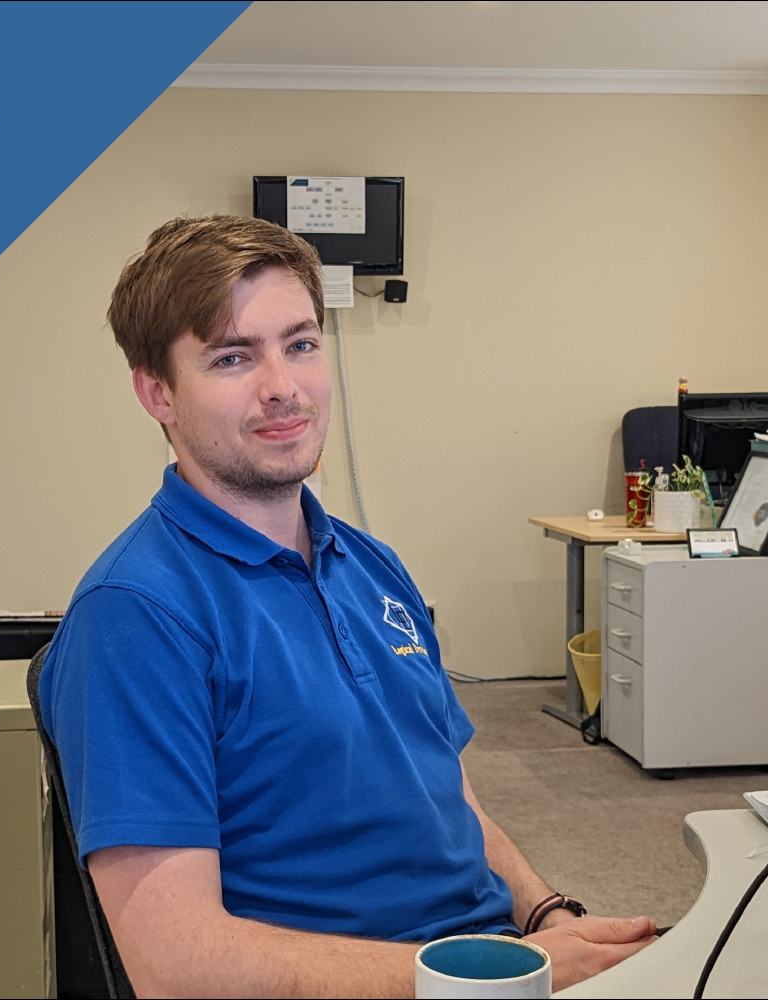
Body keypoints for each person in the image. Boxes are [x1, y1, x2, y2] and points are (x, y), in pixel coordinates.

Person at [40, 215, 657, 998]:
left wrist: (545, 916)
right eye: (232, 357)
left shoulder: (372, 566)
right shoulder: (135, 616)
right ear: (157, 392)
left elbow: (446, 795)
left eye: (300, 344)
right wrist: (487, 975)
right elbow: (177, 966)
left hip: (490, 963)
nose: (283, 387)